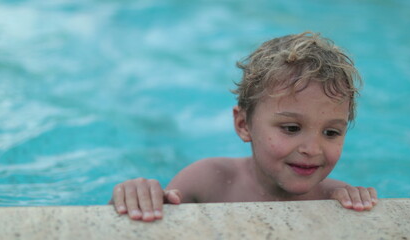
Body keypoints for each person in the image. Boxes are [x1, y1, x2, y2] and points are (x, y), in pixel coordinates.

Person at [110, 32, 378, 222]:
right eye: (291, 128)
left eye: (331, 132)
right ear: (243, 124)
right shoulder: (207, 182)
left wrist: (362, 206)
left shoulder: (334, 197)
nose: (312, 149)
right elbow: (150, 222)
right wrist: (136, 198)